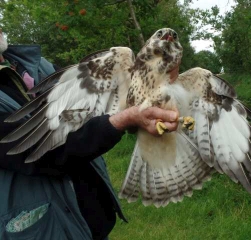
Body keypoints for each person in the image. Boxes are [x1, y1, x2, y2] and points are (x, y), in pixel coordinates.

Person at [0, 29, 179, 240]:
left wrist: (150, 84)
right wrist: (123, 119)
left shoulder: (34, 64)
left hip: (93, 218)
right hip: (44, 228)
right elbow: (38, 153)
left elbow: (91, 110)